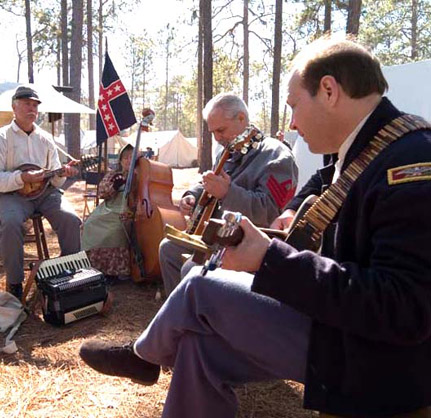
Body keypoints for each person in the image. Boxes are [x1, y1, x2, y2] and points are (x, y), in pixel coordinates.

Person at [79, 38, 431, 417]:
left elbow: (404, 310)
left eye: (294, 105)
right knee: (200, 351)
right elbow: (323, 184)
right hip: (339, 326)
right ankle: (151, 356)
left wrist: (271, 259)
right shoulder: (368, 148)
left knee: (200, 284)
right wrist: (294, 211)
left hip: (374, 361)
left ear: (329, 90)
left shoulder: (412, 165)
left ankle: (145, 356)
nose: (292, 122)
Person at [159, 92, 298, 296]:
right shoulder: (228, 152)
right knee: (168, 248)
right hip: (215, 236)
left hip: (246, 245)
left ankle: (198, 320)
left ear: (241, 118)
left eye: (221, 130)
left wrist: (227, 193)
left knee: (191, 268)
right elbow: (210, 182)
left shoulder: (277, 157)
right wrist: (192, 195)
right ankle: (180, 317)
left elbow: (269, 212)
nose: (217, 138)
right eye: (213, 132)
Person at [0, 86, 81, 299]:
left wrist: (64, 172)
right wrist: (21, 178)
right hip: (13, 195)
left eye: (35, 105)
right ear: (14, 107)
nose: (32, 108)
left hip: (46, 193)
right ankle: (15, 283)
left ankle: (68, 273)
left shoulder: (45, 139)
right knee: (10, 223)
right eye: (27, 103)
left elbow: (55, 177)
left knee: (71, 219)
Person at [81, 143, 134, 279]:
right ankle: (95, 267)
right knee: (89, 224)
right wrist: (115, 186)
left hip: (126, 209)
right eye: (125, 157)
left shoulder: (140, 175)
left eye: (131, 157)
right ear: (121, 161)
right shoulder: (113, 174)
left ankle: (116, 270)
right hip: (109, 208)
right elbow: (102, 194)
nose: (128, 160)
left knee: (115, 229)